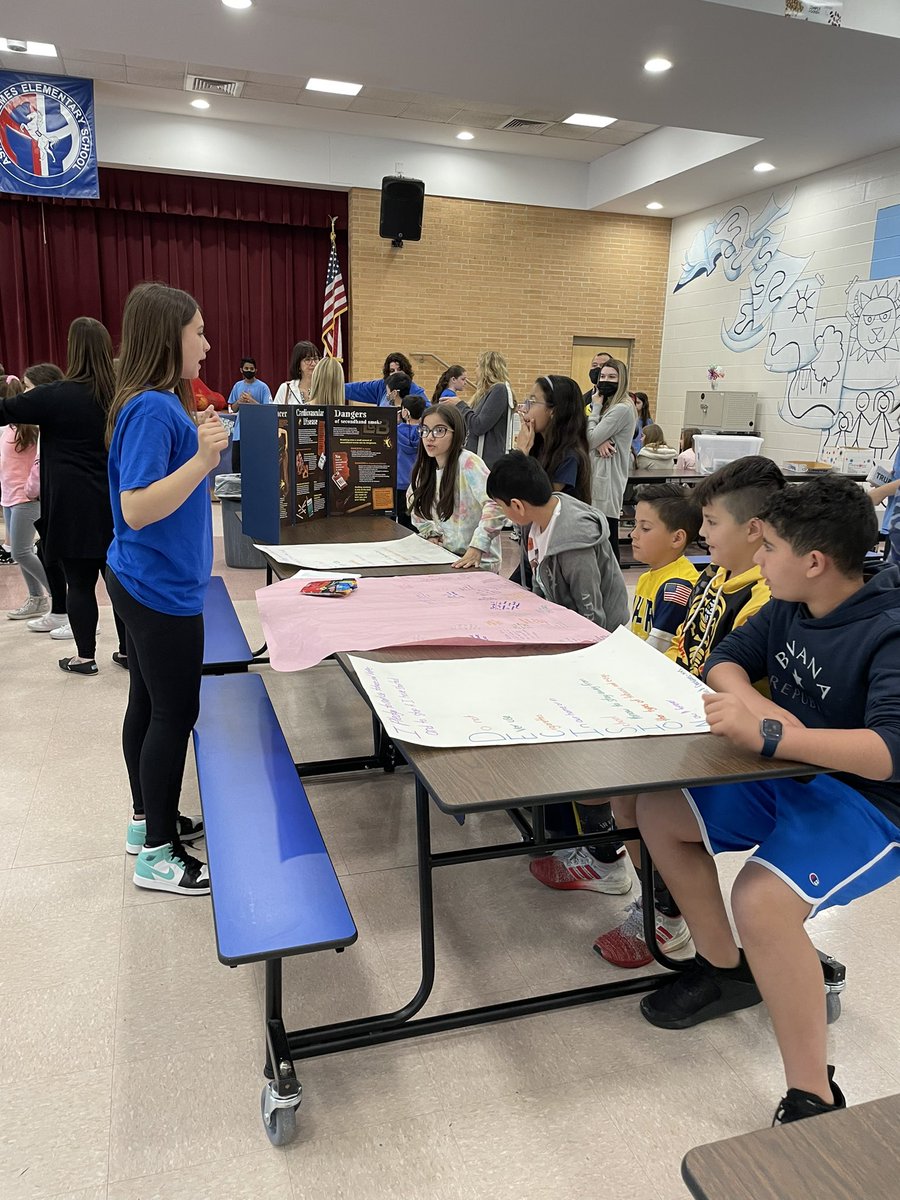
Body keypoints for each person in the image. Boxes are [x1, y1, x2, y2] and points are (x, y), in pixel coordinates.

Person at [637, 474, 900, 1126]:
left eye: (770, 546)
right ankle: (727, 972)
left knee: (761, 903)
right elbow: (724, 661)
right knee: (659, 812)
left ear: (814, 562)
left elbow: (889, 752)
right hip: (789, 770)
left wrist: (780, 734)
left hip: (868, 802)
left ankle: (813, 1095)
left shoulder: (888, 629)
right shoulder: (787, 603)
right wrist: (769, 727)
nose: (758, 557)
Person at [106, 281, 228, 896]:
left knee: (149, 703)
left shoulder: (157, 402)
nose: (206, 344)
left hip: (147, 579)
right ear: (168, 336)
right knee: (174, 711)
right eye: (198, 332)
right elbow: (135, 507)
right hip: (158, 588)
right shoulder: (153, 407)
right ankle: (158, 852)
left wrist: (198, 444)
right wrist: (202, 459)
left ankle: (145, 821)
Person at [487, 450, 631, 893]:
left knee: (583, 765)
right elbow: (531, 580)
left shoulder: (572, 542)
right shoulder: (541, 523)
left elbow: (594, 618)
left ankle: (606, 857)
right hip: (558, 653)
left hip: (593, 661)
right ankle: (562, 833)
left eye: (499, 507)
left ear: (517, 506)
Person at [593, 483, 702, 967]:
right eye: (632, 525)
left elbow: (655, 655)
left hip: (657, 713)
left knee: (639, 808)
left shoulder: (679, 584)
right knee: (622, 804)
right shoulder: (656, 576)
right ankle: (651, 895)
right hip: (636, 704)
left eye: (644, 527)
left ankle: (668, 914)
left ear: (678, 537)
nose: (632, 535)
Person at [0, 324, 127, 674]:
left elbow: (4, 410)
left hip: (70, 508)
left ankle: (85, 657)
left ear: (72, 350)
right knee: (119, 582)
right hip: (118, 503)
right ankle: (129, 652)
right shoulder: (121, 394)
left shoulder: (55, 395)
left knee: (80, 584)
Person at [668, 456, 784, 676]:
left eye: (712, 522)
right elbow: (682, 642)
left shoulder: (763, 599)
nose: (702, 532)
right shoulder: (713, 573)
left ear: (752, 529)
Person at [407, 403, 504, 571]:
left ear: (456, 433)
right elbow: (414, 504)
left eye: (439, 430)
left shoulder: (468, 462)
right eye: (425, 430)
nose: (429, 437)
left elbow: (496, 503)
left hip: (478, 562)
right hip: (446, 557)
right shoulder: (426, 469)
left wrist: (478, 546)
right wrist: (432, 533)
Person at [0, 378, 52, 619]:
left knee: (20, 552)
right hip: (9, 497)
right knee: (19, 550)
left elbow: (40, 461)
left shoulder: (30, 428)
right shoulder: (6, 429)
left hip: (27, 498)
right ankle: (37, 598)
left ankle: (58, 595)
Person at [586, 357, 635, 563]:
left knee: (607, 540)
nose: (606, 380)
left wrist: (596, 435)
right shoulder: (607, 405)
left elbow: (589, 438)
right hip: (596, 477)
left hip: (607, 481)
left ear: (621, 380)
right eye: (603, 376)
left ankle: (613, 590)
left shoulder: (621, 408)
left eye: (612, 377)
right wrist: (598, 439)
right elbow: (588, 434)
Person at [514, 375, 591, 502]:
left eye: (532, 402)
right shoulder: (538, 446)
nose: (524, 409)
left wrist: (521, 453)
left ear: (553, 411)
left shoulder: (569, 456)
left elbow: (539, 500)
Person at [457, 350, 517, 469]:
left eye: (478, 366)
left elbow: (479, 425)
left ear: (487, 369)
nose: (475, 371)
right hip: (477, 460)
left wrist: (460, 405)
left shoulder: (499, 390)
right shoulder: (485, 394)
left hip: (486, 463)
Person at [227, 356, 272, 472]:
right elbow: (233, 408)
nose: (249, 371)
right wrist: (239, 401)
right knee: (237, 467)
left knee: (255, 467)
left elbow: (267, 410)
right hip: (239, 433)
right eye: (246, 368)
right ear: (241, 370)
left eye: (252, 369)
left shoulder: (263, 387)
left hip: (257, 434)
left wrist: (252, 401)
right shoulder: (237, 386)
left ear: (256, 370)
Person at [344, 352, 427, 406]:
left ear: (406, 371)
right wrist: (335, 388)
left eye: (399, 370)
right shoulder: (381, 386)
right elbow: (357, 389)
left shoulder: (415, 391)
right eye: (392, 370)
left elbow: (427, 409)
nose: (396, 373)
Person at [397, 393, 425, 528]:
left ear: (405, 412)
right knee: (417, 520)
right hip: (418, 483)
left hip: (399, 484)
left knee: (402, 521)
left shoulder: (395, 432)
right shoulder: (426, 434)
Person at [273, 340, 320, 406]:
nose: (313, 363)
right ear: (298, 364)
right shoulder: (286, 388)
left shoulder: (324, 388)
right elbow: (274, 414)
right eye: (308, 359)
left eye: (315, 359)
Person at [631, 391, 653, 456]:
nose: (635, 405)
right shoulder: (629, 419)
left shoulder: (648, 421)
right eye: (634, 403)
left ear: (644, 405)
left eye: (638, 403)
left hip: (642, 453)